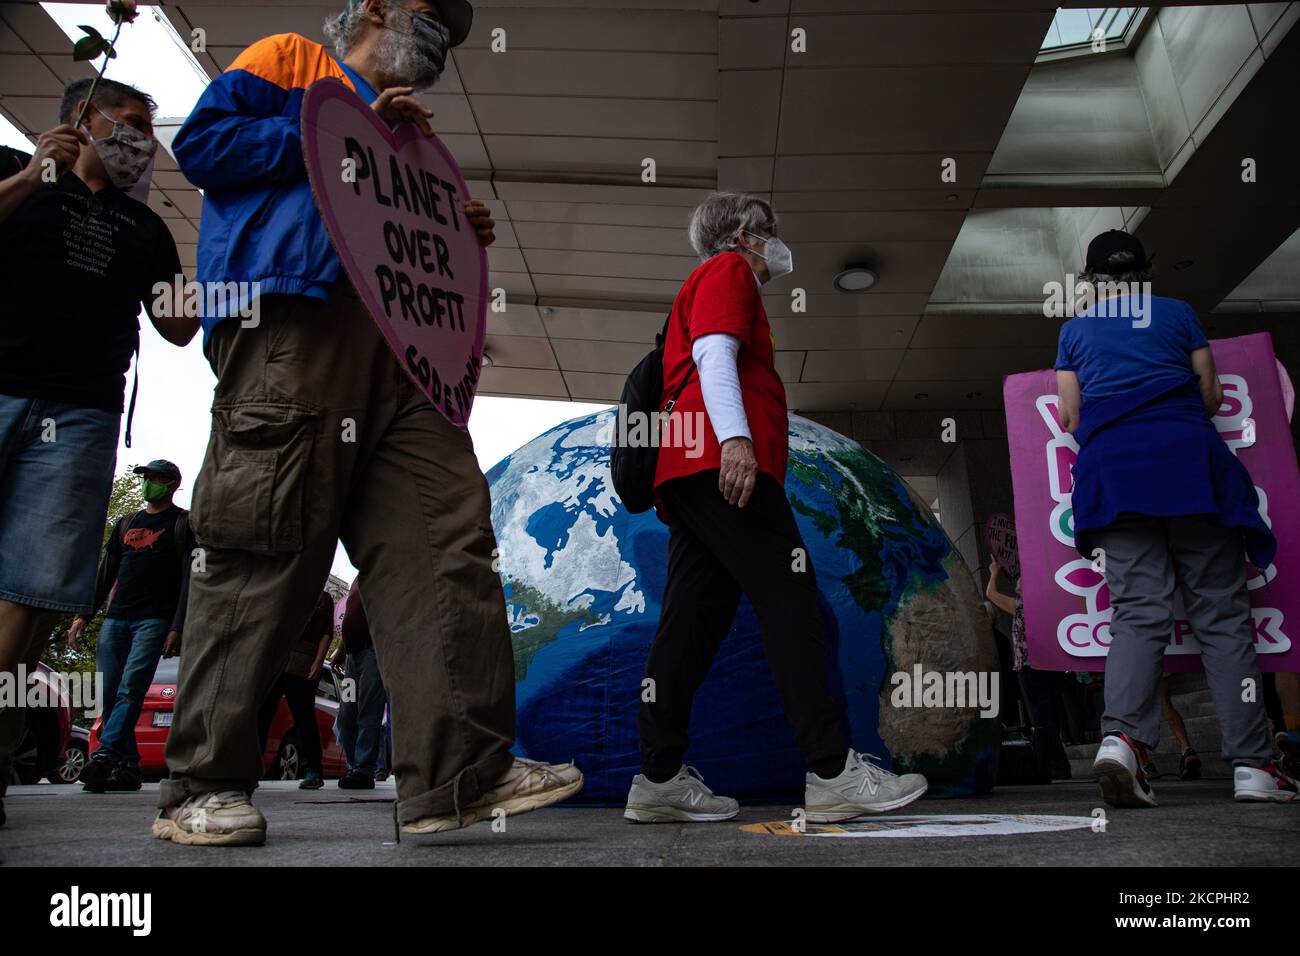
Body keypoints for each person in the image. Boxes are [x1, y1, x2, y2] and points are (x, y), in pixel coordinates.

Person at [154, 0, 581, 847]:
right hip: (294, 326)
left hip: (405, 356)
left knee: (445, 542)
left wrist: (453, 232)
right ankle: (201, 787)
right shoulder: (289, 63)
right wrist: (335, 139)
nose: (445, 40)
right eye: (432, 16)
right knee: (265, 542)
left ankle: (459, 773)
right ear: (376, 8)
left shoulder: (416, 143)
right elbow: (203, 147)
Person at [625, 191, 928, 824]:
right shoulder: (728, 270)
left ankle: (657, 779)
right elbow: (714, 353)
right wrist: (736, 441)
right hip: (720, 464)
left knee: (690, 625)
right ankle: (831, 773)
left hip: (686, 471)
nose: (776, 239)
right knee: (794, 605)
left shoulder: (705, 281)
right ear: (741, 235)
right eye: (769, 229)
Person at [0, 79, 196, 826]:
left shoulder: (144, 228)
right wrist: (26, 178)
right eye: (133, 123)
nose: (142, 140)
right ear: (84, 121)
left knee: (32, 592)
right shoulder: (12, 170)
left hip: (82, 417)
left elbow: (178, 327)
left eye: (148, 130)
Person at [1055, 229, 1297, 806]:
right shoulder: (1179, 315)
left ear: (1090, 281)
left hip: (1114, 477)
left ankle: (1124, 741)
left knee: (1139, 612)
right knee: (1222, 615)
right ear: (1147, 272)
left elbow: (1069, 414)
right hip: (1190, 467)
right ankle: (1254, 766)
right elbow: (1211, 395)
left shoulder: (1073, 331)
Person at [72, 460, 194, 792]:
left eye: (154, 478)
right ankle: (127, 766)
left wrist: (177, 626)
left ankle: (105, 755)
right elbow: (106, 571)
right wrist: (84, 615)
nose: (147, 483)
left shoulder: (184, 524)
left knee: (131, 689)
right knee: (110, 693)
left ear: (170, 484)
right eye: (146, 478)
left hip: (154, 620)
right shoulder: (127, 523)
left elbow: (190, 580)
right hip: (116, 618)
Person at [986, 559, 1071, 780]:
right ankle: (1059, 763)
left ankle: (1056, 765)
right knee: (1053, 713)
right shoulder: (1049, 606)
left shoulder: (1021, 606)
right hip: (1053, 665)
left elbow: (991, 593)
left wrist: (994, 573)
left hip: (1030, 666)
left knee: (1041, 718)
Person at [257, 589, 334, 789]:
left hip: (302, 663)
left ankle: (314, 770)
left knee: (304, 717)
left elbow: (327, 632)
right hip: (277, 660)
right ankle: (252, 766)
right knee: (263, 713)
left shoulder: (323, 597)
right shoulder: (287, 590)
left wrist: (318, 661)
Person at [329, 580, 388, 789]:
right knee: (347, 712)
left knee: (368, 711)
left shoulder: (381, 572)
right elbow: (352, 618)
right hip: (353, 657)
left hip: (373, 653)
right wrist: (341, 650)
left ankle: (363, 770)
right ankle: (354, 766)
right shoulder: (359, 578)